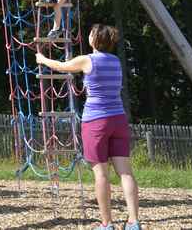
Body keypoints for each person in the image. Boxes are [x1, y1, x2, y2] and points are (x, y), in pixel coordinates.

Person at [35, 24, 140, 230]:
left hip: (96, 122)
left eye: (91, 34)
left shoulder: (87, 60)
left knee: (101, 174)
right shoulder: (116, 61)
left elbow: (61, 66)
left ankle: (106, 224)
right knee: (125, 173)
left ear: (95, 40)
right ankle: (134, 222)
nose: (88, 36)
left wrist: (42, 59)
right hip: (118, 119)